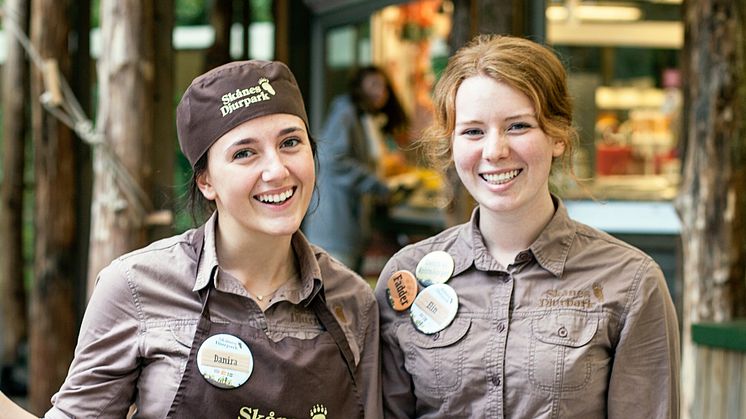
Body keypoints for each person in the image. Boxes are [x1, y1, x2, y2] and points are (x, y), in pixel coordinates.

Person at [0, 60, 381, 418]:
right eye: (245, 153)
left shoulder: (351, 299)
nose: (276, 170)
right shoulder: (135, 286)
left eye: (290, 143)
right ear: (206, 181)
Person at [375, 34, 680, 418]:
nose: (494, 150)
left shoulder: (631, 283)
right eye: (472, 131)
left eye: (517, 126)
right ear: (451, 144)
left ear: (557, 136)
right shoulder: (406, 277)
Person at [302, 65, 408, 274]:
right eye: (373, 85)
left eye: (384, 87)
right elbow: (333, 160)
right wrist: (378, 185)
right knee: (335, 296)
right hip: (334, 226)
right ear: (359, 88)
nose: (380, 92)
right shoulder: (346, 112)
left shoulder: (365, 118)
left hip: (349, 227)